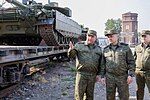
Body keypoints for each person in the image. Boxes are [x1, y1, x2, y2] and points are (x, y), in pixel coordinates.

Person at [100, 29, 135, 100]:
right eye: (108, 37)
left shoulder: (125, 48)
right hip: (110, 78)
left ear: (117, 36)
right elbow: (103, 64)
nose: (109, 38)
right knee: (110, 97)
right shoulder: (105, 49)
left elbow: (131, 62)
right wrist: (102, 76)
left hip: (122, 77)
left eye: (111, 36)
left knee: (124, 97)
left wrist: (130, 75)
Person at [68, 30, 103, 100]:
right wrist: (70, 50)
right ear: (86, 36)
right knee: (79, 96)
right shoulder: (79, 45)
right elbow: (71, 56)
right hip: (81, 75)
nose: (90, 38)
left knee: (90, 96)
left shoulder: (98, 49)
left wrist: (99, 75)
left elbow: (101, 63)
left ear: (95, 38)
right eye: (89, 36)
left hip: (92, 76)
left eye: (92, 36)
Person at [134, 30, 150, 100]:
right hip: (139, 73)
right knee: (139, 91)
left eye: (145, 36)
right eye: (142, 36)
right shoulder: (137, 47)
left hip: (149, 72)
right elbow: (134, 59)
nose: (143, 37)